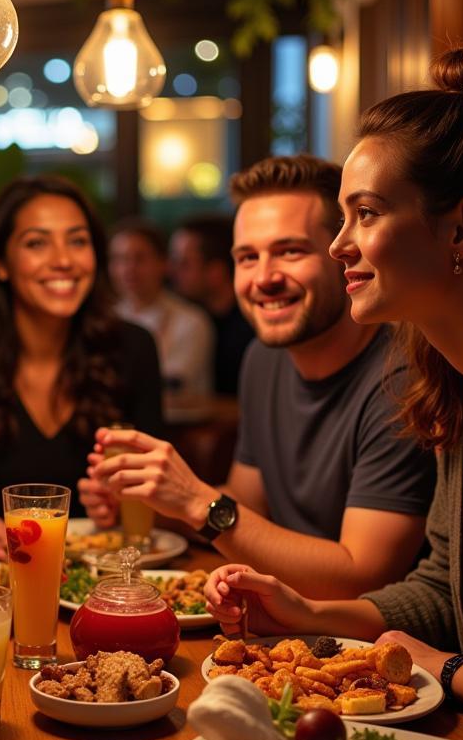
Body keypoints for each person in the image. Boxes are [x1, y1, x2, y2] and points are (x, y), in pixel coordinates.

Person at [205, 39, 463, 740]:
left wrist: (440, 666)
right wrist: (312, 612)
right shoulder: (458, 386)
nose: (340, 243)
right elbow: (440, 585)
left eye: (365, 213)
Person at [84, 155, 435, 597]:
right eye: (247, 257)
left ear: (343, 254)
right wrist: (150, 501)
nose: (263, 278)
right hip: (280, 626)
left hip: (371, 648)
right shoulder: (263, 359)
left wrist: (197, 501)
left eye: (290, 251)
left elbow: (362, 574)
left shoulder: (401, 377)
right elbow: (244, 508)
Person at [0, 176, 163, 518]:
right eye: (37, 243)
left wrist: (122, 502)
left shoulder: (133, 348)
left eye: (78, 241)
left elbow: (155, 490)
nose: (63, 260)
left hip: (104, 564)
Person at [109, 217, 215, 398]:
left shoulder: (191, 321)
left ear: (163, 263)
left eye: (139, 258)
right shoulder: (106, 318)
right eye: (120, 259)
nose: (129, 268)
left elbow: (173, 382)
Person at [168, 212, 254, 396]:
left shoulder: (251, 330)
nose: (171, 271)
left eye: (184, 263)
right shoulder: (185, 319)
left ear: (216, 271)